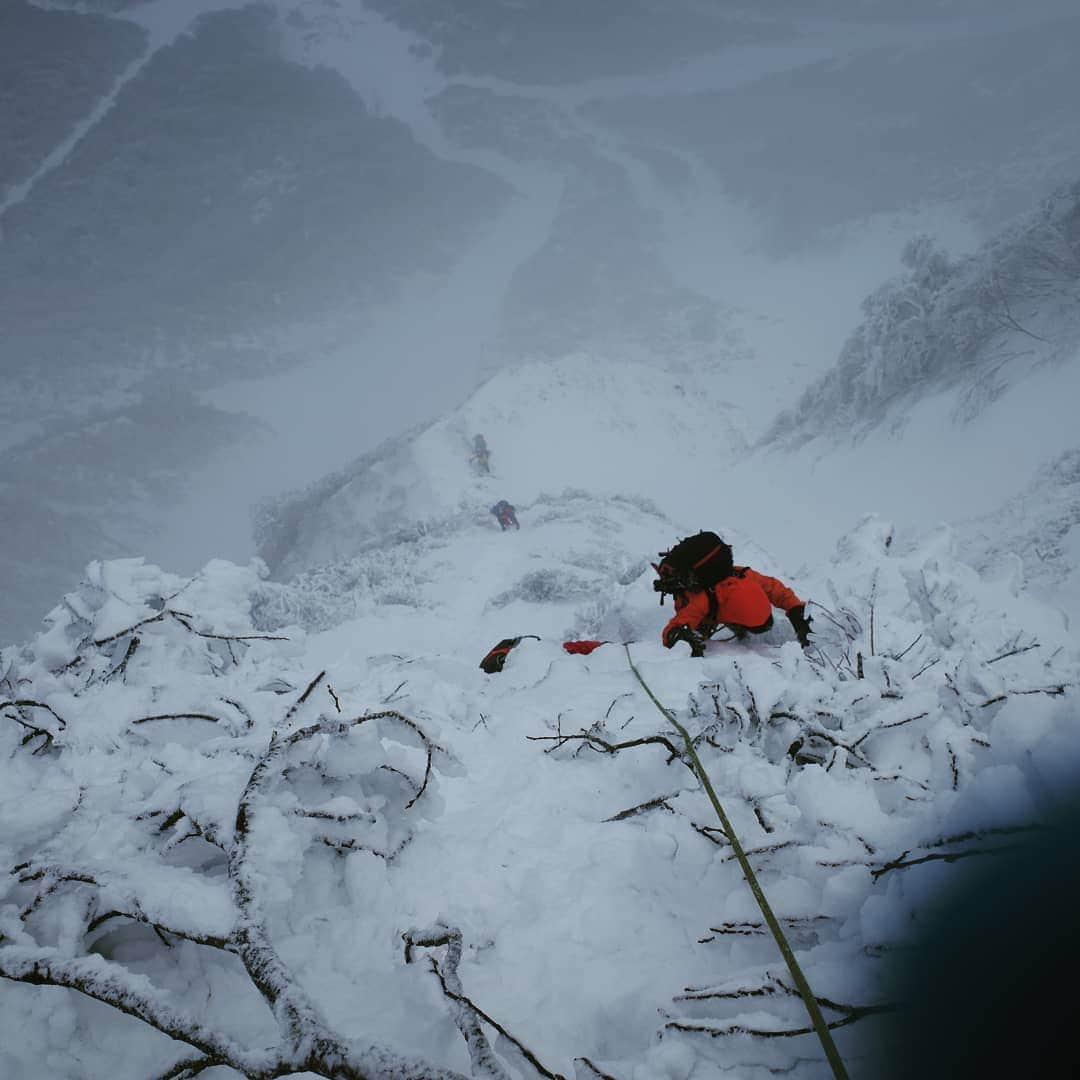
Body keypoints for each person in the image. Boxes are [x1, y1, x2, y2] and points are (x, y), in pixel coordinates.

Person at [653, 532, 811, 655]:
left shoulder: (745, 576)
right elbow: (674, 629)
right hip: (705, 602)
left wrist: (796, 610)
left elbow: (777, 591)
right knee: (702, 627)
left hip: (715, 599)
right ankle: (707, 627)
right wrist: (683, 636)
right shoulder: (703, 599)